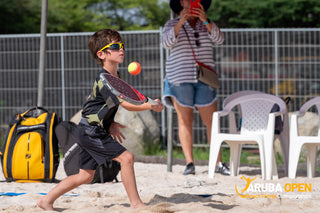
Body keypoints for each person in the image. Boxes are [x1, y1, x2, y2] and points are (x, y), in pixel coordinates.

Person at [37, 29, 164, 211]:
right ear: (101, 54)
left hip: (89, 129)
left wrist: (110, 123)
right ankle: (136, 204)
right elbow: (127, 104)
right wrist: (151, 106)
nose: (121, 49)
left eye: (121, 45)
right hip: (91, 131)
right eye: (115, 46)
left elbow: (103, 106)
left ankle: (46, 200)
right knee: (127, 158)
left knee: (85, 176)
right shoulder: (105, 80)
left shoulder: (114, 78)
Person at [161, 0, 230, 175]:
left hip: (204, 78)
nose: (190, 2)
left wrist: (206, 21)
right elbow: (166, 43)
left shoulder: (206, 22)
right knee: (185, 121)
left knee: (212, 122)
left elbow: (219, 39)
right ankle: (189, 163)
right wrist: (180, 22)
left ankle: (218, 163)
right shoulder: (171, 23)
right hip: (179, 77)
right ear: (180, 3)